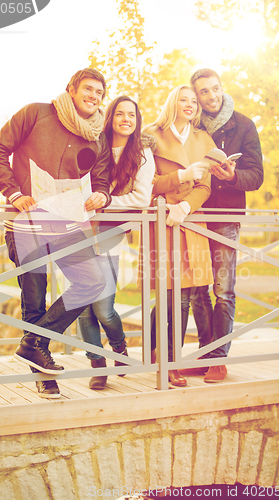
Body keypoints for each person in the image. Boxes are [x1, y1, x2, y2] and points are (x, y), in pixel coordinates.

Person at [0, 68, 111, 399]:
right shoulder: (36, 113)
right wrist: (13, 193)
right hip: (26, 220)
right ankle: (45, 378)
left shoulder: (97, 136)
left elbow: (102, 178)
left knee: (93, 281)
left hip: (66, 220)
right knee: (34, 299)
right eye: (88, 89)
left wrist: (102, 195)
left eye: (100, 92)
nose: (94, 96)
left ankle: (33, 343)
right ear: (71, 89)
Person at [182, 68, 264, 383]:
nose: (211, 96)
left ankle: (219, 358)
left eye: (215, 89)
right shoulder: (190, 127)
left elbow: (256, 176)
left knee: (224, 290)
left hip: (227, 217)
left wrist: (232, 177)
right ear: (197, 96)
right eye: (204, 91)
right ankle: (205, 353)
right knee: (197, 290)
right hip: (196, 216)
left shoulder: (243, 125)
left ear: (221, 88)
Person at [78, 96, 155, 390]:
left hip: (111, 228)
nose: (125, 119)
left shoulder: (143, 152)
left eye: (131, 115)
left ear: (137, 122)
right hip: (80, 226)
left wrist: (103, 204)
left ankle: (119, 347)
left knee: (103, 307)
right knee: (82, 305)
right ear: (110, 117)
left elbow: (141, 198)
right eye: (119, 114)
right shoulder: (93, 144)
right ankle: (97, 365)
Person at [144, 84, 218, 387]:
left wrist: (186, 205)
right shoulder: (151, 134)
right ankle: (167, 359)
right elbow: (145, 183)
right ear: (173, 103)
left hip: (191, 219)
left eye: (192, 101)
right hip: (163, 220)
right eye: (183, 100)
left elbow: (207, 185)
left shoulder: (204, 139)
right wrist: (180, 177)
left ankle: (163, 354)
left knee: (186, 294)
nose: (189, 105)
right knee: (172, 294)